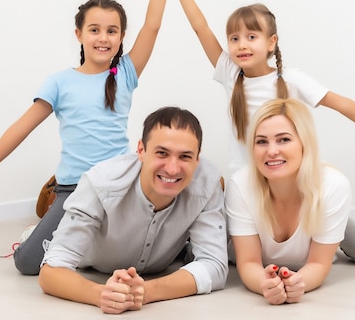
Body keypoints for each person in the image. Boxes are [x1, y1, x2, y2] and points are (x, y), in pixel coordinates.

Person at [170, 0, 355, 265]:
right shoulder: (230, 74)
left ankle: (319, 238)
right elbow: (200, 26)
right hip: (251, 187)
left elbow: (341, 103)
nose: (242, 44)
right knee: (235, 256)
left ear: (271, 43)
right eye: (234, 38)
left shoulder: (292, 80)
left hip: (297, 185)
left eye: (251, 36)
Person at [0, 0, 185, 275]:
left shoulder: (125, 72)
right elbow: (21, 127)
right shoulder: (59, 82)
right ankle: (50, 232)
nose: (103, 38)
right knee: (27, 264)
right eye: (94, 29)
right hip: (74, 189)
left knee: (147, 257)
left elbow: (153, 24)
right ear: (79, 34)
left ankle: (91, 241)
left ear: (122, 37)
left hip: (121, 186)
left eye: (112, 31)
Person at [38, 106, 228, 314]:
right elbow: (51, 272)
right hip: (91, 263)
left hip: (160, 262)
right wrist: (100, 294)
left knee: (196, 252)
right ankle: (39, 221)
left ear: (197, 159)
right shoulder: (101, 181)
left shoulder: (209, 183)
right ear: (141, 150)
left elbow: (215, 266)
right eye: (162, 153)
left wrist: (146, 291)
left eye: (185, 156)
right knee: (28, 262)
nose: (172, 169)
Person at [226, 98, 351, 304]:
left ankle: (342, 225)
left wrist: (298, 283)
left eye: (283, 139)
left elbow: (319, 263)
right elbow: (249, 262)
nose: (272, 151)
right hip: (260, 216)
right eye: (261, 141)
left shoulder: (334, 185)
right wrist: (264, 285)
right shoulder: (240, 184)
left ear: (304, 143)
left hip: (318, 204)